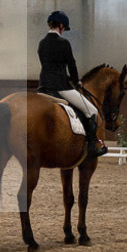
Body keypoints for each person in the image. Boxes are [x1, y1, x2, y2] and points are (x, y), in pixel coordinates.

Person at [37, 11, 107, 157]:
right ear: (61, 26)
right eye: (64, 28)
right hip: (61, 88)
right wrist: (76, 82)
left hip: (42, 87)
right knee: (92, 111)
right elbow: (71, 65)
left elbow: (50, 67)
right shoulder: (64, 43)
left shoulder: (42, 43)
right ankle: (93, 147)